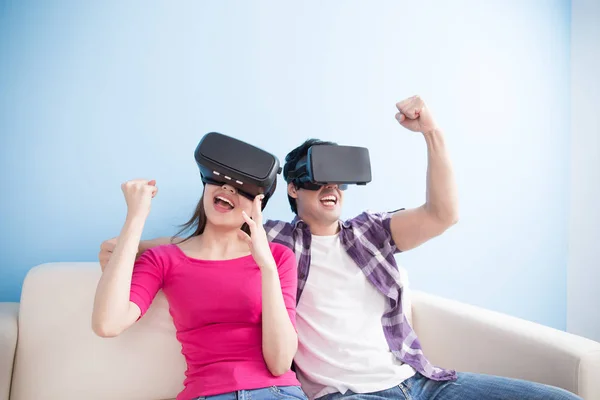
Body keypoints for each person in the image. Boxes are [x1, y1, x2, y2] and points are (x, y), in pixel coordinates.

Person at [99, 96, 581, 400]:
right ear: (292, 190)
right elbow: (193, 244)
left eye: (339, 181)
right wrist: (134, 233)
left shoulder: (373, 232)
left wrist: (432, 132)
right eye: (317, 179)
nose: (332, 188)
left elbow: (444, 215)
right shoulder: (274, 243)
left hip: (419, 381)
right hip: (347, 394)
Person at [92, 137, 308, 400]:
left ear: (257, 204)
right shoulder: (163, 259)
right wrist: (136, 216)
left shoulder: (277, 258)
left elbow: (280, 363)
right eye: (220, 180)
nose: (229, 188)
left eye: (242, 188)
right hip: (206, 394)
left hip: (276, 393)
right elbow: (107, 323)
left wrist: (267, 268)